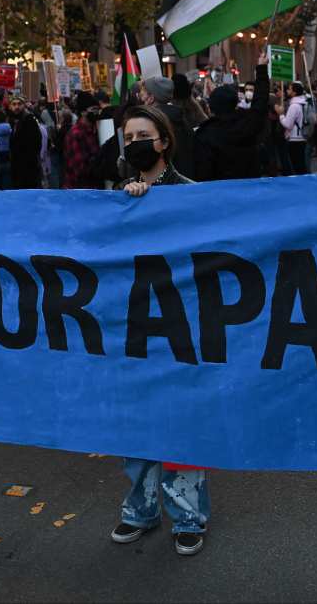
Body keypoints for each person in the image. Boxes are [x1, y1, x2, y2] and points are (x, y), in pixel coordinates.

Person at [107, 104, 205, 556]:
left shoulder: (189, 194)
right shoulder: (118, 198)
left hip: (181, 328)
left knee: (182, 423)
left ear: (163, 141)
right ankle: (141, 510)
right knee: (136, 421)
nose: (135, 144)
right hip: (134, 327)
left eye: (143, 135)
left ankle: (188, 515)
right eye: (128, 137)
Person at [195, 54, 270, 181]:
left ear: (211, 107)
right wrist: (262, 68)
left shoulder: (205, 133)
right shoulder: (247, 123)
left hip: (219, 193)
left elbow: (202, 171)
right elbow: (260, 103)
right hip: (249, 189)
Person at [140, 75, 197, 177]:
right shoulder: (181, 118)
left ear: (151, 98)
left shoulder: (153, 123)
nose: (140, 96)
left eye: (143, 92)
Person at [62, 92, 105, 189]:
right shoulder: (76, 134)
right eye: (93, 109)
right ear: (83, 112)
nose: (96, 112)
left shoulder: (94, 130)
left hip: (91, 188)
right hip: (79, 190)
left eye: (98, 109)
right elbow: (79, 169)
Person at [8, 95, 46, 189]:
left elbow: (36, 143)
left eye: (19, 104)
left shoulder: (29, 120)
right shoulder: (14, 121)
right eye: (14, 104)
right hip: (18, 168)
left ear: (24, 105)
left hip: (28, 168)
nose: (16, 107)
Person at [278, 81, 312, 175]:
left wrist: (281, 115)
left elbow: (288, 124)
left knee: (297, 166)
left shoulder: (294, 106)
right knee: (301, 164)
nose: (287, 91)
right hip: (303, 136)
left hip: (294, 139)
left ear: (294, 92)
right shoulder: (305, 103)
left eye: (289, 89)